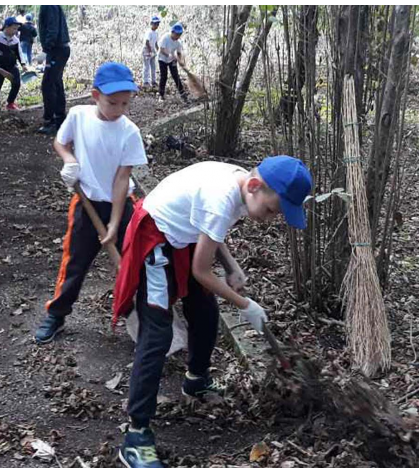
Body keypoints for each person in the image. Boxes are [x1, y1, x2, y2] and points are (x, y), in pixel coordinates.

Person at [111, 156, 313, 468]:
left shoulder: (239, 183)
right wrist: (246, 306)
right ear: (255, 186)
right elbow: (202, 271)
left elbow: (210, 231)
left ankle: (196, 379)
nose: (271, 218)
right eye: (273, 210)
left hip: (183, 239)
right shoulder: (222, 196)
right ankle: (136, 436)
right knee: (157, 335)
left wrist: (232, 268)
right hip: (156, 241)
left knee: (204, 310)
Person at [35, 62, 148, 344]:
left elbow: (123, 179)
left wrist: (113, 222)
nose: (119, 109)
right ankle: (57, 314)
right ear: (95, 95)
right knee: (75, 263)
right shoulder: (78, 116)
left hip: (122, 207)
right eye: (112, 102)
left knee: (135, 264)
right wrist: (69, 160)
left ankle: (144, 316)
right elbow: (61, 143)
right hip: (86, 204)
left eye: (125, 103)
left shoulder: (129, 132)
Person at [0, 16, 27, 115]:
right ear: (6, 27)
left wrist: (23, 64)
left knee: (16, 83)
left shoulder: (15, 40)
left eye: (17, 29)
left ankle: (10, 103)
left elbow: (19, 53)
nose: (15, 31)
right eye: (14, 28)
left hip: (12, 66)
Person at [37, 5, 71, 135]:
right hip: (58, 49)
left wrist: (46, 50)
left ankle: (50, 121)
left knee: (48, 84)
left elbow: (52, 28)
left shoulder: (49, 5)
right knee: (56, 82)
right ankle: (60, 119)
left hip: (57, 49)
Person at [158, 23, 187, 102]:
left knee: (176, 76)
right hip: (162, 59)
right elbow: (162, 49)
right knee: (164, 76)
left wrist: (180, 61)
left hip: (172, 60)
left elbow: (179, 52)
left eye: (179, 35)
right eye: (177, 34)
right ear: (172, 32)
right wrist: (170, 55)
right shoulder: (165, 38)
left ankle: (182, 94)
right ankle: (161, 95)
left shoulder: (178, 42)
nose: (178, 36)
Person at [142, 16, 161, 89]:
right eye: (155, 24)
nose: (156, 25)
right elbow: (147, 42)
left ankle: (153, 81)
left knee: (153, 66)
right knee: (146, 66)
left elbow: (156, 43)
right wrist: (150, 51)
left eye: (157, 24)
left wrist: (158, 50)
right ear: (151, 23)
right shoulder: (149, 32)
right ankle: (145, 81)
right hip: (146, 50)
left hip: (153, 51)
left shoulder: (156, 33)